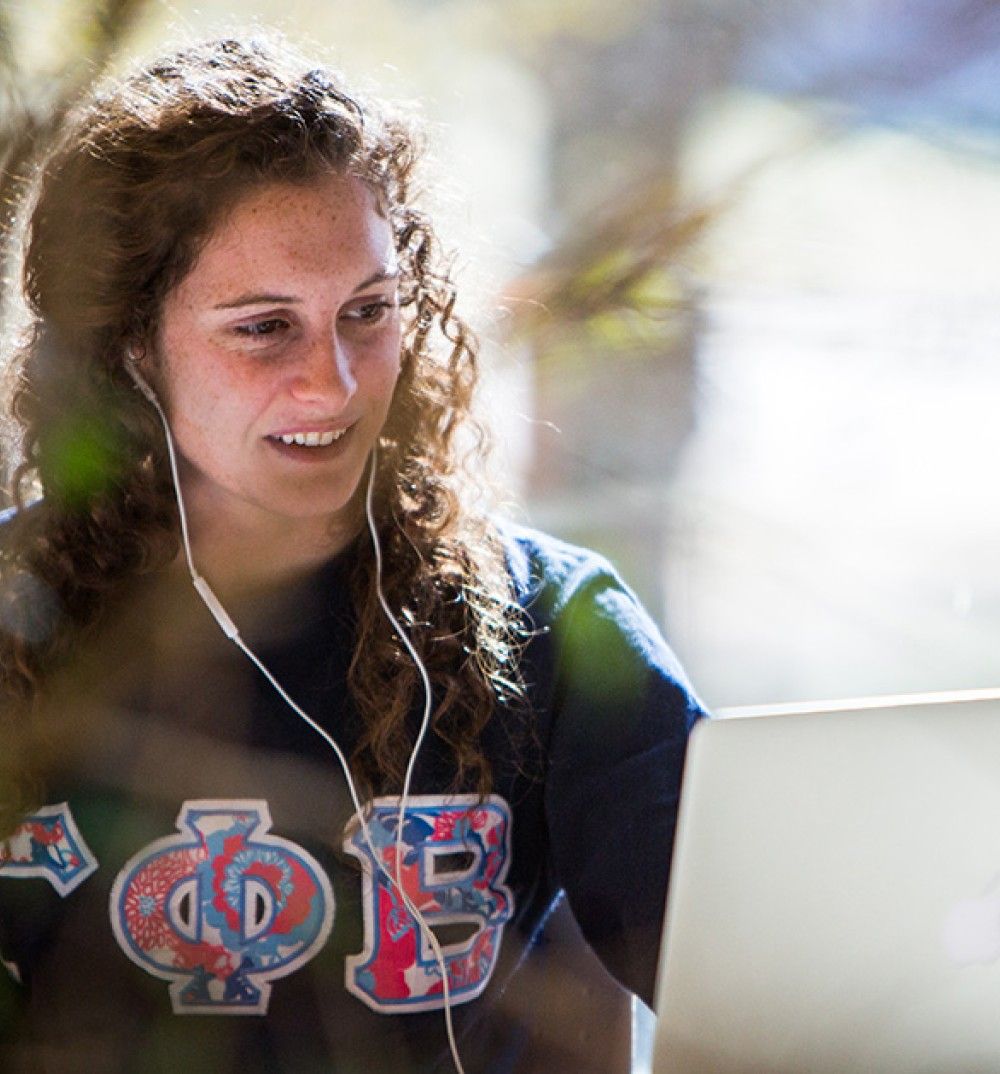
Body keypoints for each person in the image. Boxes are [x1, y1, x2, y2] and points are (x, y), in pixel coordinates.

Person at [0, 34, 704, 1074]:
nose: (331, 386)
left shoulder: (552, 622)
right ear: (130, 345)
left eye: (367, 314)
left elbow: (755, 979)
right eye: (262, 329)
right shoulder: (18, 628)